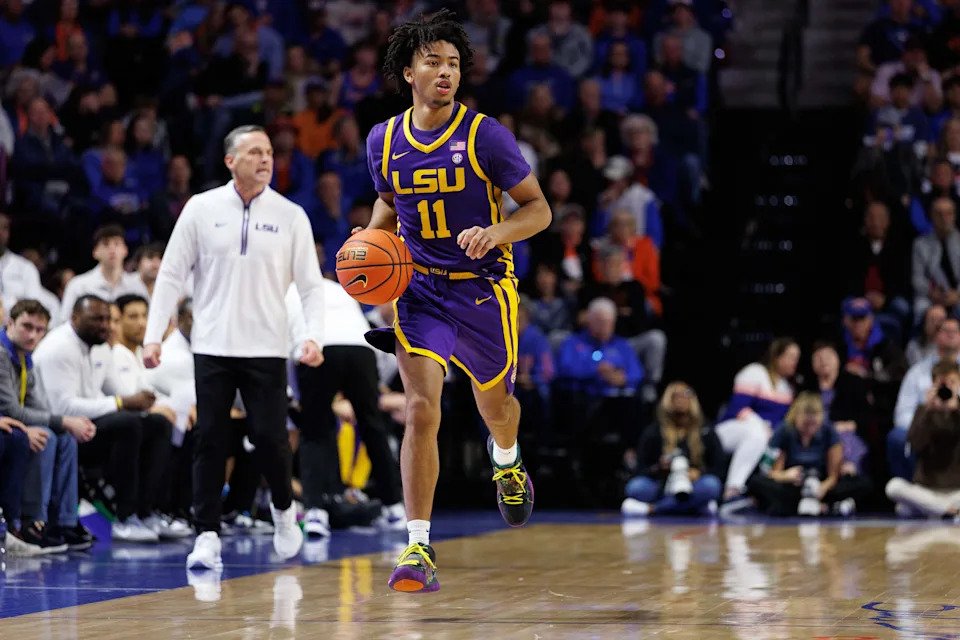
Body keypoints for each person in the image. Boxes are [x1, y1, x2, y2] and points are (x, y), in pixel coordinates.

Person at [362, 10, 551, 592]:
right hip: (420, 289)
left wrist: (495, 233)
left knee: (496, 408)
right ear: (408, 72)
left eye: (453, 64)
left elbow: (539, 209)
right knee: (422, 409)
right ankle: (418, 547)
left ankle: (506, 459)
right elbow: (388, 206)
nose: (446, 72)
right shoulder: (383, 140)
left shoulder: (485, 135)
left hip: (483, 289)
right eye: (433, 62)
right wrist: (367, 247)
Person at [143, 124, 326, 572]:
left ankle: (284, 510)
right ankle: (206, 535)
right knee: (210, 438)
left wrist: (312, 336)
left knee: (270, 439)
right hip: (212, 344)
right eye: (255, 152)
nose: (265, 159)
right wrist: (153, 335)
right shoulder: (201, 208)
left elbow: (310, 286)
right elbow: (171, 275)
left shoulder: (291, 215)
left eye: (269, 152)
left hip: (267, 347)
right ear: (230, 161)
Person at [34, 295, 171, 543]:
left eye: (108, 319)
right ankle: (124, 517)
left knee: (157, 424)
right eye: (97, 319)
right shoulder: (58, 348)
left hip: (89, 425)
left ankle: (146, 511)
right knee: (126, 424)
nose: (105, 326)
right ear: (74, 318)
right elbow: (62, 407)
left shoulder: (101, 347)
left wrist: (148, 402)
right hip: (61, 428)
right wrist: (121, 403)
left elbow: (118, 391)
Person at [0, 299, 97, 550]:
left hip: (13, 422)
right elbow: (11, 409)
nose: (33, 335)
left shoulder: (25, 357)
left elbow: (36, 404)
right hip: (6, 424)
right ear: (10, 323)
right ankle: (32, 521)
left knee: (65, 437)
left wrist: (65, 424)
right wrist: (62, 420)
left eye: (39, 329)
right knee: (46, 436)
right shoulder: (2, 354)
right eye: (26, 327)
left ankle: (64, 521)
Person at [747, 392, 872, 517]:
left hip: (821, 483)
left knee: (862, 483)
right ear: (796, 417)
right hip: (792, 486)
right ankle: (821, 507)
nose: (809, 429)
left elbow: (833, 475)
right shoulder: (784, 431)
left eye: (814, 424)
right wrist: (785, 476)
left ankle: (809, 506)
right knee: (756, 482)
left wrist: (823, 487)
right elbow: (768, 470)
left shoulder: (829, 431)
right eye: (805, 424)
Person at [621, 382, 724, 517]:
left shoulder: (705, 430)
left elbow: (719, 467)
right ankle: (693, 506)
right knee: (635, 488)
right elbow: (640, 468)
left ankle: (654, 509)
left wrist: (699, 473)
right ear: (667, 400)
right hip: (661, 483)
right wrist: (658, 468)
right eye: (675, 396)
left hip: (692, 485)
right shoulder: (654, 431)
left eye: (685, 395)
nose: (681, 399)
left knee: (711, 486)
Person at [57, 225, 150, 325]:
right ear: (95, 252)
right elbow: (66, 323)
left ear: (125, 250)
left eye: (117, 244)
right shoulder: (78, 285)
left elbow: (148, 319)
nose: (112, 250)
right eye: (106, 244)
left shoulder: (137, 286)